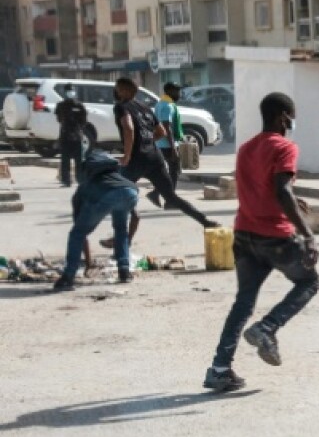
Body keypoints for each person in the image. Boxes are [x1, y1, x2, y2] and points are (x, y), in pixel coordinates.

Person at [204, 93, 319, 394]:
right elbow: (281, 189)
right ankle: (267, 328)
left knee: (243, 303)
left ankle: (219, 369)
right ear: (283, 116)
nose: (292, 122)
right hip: (275, 237)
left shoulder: (246, 148)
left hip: (244, 234)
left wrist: (294, 199)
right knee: (309, 282)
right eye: (291, 116)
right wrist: (306, 234)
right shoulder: (285, 147)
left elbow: (260, 186)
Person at [112, 76, 218, 233]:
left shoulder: (121, 107)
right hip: (154, 157)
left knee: (118, 194)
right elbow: (160, 131)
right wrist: (146, 142)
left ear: (124, 90)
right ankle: (205, 221)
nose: (116, 91)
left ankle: (120, 237)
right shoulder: (145, 107)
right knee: (171, 197)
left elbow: (128, 128)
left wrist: (127, 154)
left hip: (136, 159)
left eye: (118, 88)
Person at [51, 146, 140, 291]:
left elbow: (80, 234)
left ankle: (68, 277)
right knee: (120, 229)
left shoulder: (84, 188)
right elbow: (136, 217)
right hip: (131, 192)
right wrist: (129, 237)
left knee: (76, 233)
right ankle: (124, 271)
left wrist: (88, 264)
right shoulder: (119, 179)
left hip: (107, 196)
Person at [149, 82, 184, 209]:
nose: (179, 94)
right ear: (169, 91)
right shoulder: (167, 105)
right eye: (177, 91)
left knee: (170, 172)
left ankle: (156, 193)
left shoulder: (161, 103)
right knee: (174, 172)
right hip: (167, 144)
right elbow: (166, 127)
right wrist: (173, 148)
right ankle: (170, 201)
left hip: (161, 143)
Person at [54, 85, 87, 187]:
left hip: (77, 135)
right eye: (68, 91)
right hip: (65, 135)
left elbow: (84, 121)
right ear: (65, 92)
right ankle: (66, 180)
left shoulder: (80, 106)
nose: (70, 93)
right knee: (65, 159)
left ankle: (81, 180)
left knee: (79, 160)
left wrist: (78, 130)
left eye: (72, 91)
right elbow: (59, 119)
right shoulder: (61, 105)